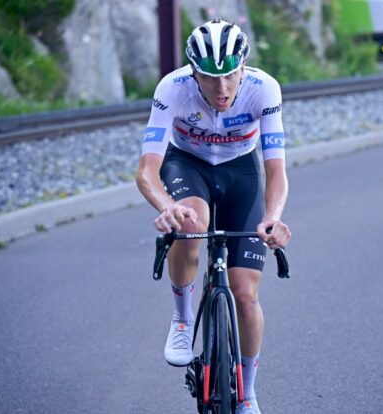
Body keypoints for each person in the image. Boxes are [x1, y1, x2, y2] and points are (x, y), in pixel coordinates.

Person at [135, 19, 292, 414]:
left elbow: (276, 170)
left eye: (229, 77)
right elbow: (146, 169)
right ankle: (183, 319)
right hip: (189, 165)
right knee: (189, 224)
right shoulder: (172, 89)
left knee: (245, 293)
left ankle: (249, 392)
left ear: (243, 68)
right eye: (209, 78)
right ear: (193, 73)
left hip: (242, 171)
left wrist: (273, 217)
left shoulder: (264, 89)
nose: (221, 89)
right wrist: (165, 207)